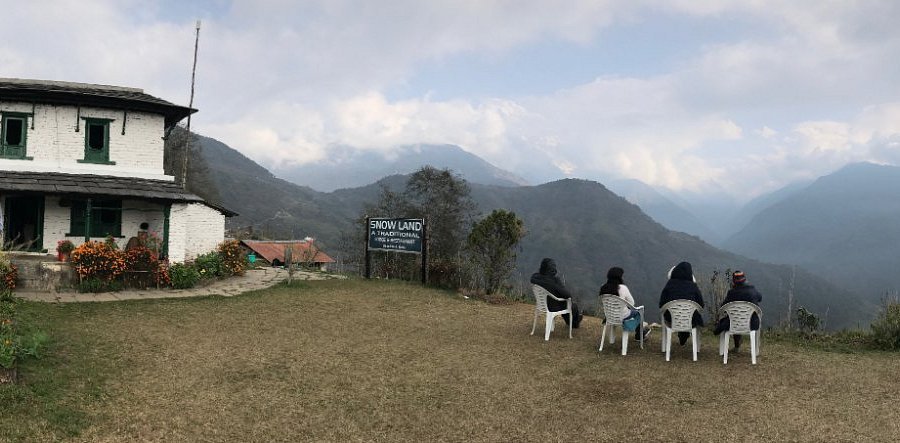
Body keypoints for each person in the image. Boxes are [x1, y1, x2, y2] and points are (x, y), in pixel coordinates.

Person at [713, 271, 762, 351]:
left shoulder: (731, 293)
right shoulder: (752, 290)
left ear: (734, 281)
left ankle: (736, 347)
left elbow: (723, 307)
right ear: (745, 280)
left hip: (734, 323)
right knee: (737, 318)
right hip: (752, 323)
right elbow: (760, 298)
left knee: (732, 318)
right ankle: (755, 350)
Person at [659, 261, 704, 345]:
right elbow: (701, 305)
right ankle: (686, 335)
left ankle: (681, 335)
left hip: (671, 320)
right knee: (693, 316)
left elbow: (661, 304)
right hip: (690, 321)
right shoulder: (693, 286)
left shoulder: (669, 284)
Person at [599, 266, 650, 340]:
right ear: (620, 277)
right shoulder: (622, 288)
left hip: (609, 315)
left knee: (632, 312)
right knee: (639, 311)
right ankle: (639, 334)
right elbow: (632, 303)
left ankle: (639, 332)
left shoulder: (603, 287)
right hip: (623, 316)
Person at [530, 258, 583, 328]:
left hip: (542, 305)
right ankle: (575, 324)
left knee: (567, 305)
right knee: (573, 306)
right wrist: (557, 285)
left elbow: (532, 279)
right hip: (553, 307)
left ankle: (573, 322)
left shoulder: (535, 277)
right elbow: (568, 295)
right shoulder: (554, 281)